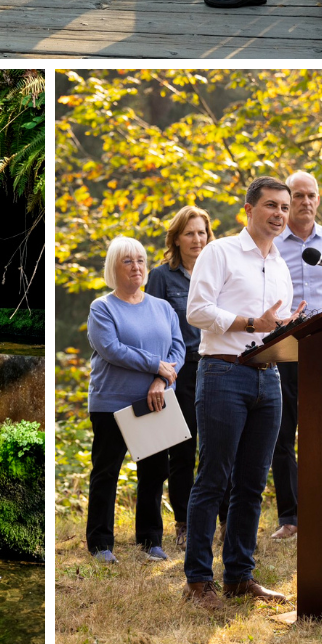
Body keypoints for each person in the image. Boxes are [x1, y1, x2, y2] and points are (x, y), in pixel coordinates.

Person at [182, 177, 306, 611]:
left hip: (268, 378)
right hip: (223, 374)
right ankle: (198, 581)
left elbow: (276, 326)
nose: (279, 214)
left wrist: (291, 329)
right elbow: (197, 311)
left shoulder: (283, 266)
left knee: (253, 483)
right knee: (214, 479)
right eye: (271, 206)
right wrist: (251, 323)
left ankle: (239, 575)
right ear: (248, 210)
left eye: (285, 208)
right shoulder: (220, 253)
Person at [85, 236, 185, 564]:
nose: (136, 267)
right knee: (106, 473)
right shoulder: (102, 308)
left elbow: (178, 350)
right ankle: (100, 544)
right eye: (127, 261)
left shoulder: (162, 308)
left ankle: (150, 541)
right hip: (111, 403)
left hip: (154, 401)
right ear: (114, 268)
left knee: (154, 472)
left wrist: (161, 378)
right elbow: (111, 349)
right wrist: (155, 364)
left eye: (140, 260)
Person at [270, 170, 322, 541]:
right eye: (298, 195)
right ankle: (290, 517)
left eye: (311, 195)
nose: (305, 202)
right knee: (282, 433)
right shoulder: (272, 245)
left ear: (319, 200)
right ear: (288, 200)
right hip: (285, 350)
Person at [145, 205, 225, 550]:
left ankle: (226, 521)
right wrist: (160, 375)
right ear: (176, 238)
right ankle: (184, 524)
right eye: (189, 233)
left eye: (202, 233)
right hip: (179, 372)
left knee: (220, 448)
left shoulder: (220, 274)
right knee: (182, 450)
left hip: (218, 366)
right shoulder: (162, 277)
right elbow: (153, 329)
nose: (197, 239)